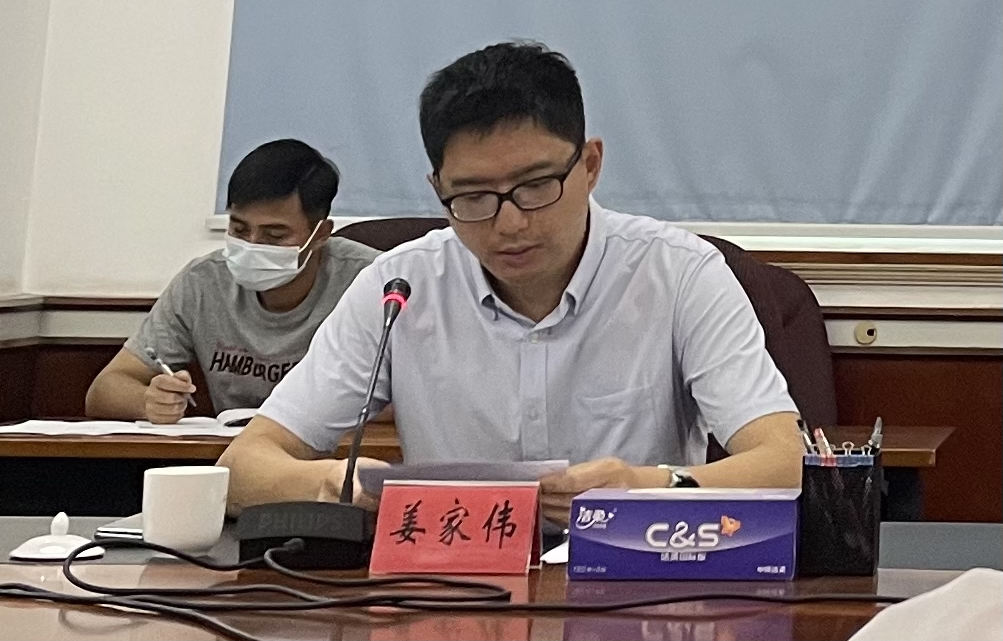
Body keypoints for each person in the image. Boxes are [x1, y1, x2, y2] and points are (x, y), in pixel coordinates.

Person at [218, 43, 803, 524]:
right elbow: (243, 467)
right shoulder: (399, 287)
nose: (510, 223)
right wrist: (330, 482)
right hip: (448, 584)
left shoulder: (679, 274)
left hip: (634, 575)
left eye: (536, 186)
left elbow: (784, 462)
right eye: (473, 196)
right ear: (438, 188)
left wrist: (646, 486)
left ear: (590, 165)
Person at [86, 139, 380, 424]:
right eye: (239, 229)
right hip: (232, 449)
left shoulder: (374, 281)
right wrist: (148, 401)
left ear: (321, 234)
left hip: (337, 450)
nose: (252, 244)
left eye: (274, 235)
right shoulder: (203, 282)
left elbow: (401, 400)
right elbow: (104, 389)